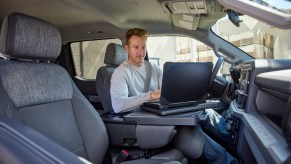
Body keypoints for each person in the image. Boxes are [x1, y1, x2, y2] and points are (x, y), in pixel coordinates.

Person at [110, 28, 237, 164]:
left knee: (206, 112)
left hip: (160, 111)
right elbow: (118, 105)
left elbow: (169, 90)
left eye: (143, 47)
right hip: (144, 121)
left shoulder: (153, 68)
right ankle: (229, 162)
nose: (141, 52)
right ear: (126, 48)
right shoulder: (121, 73)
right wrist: (150, 95)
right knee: (192, 132)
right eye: (136, 47)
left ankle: (235, 143)